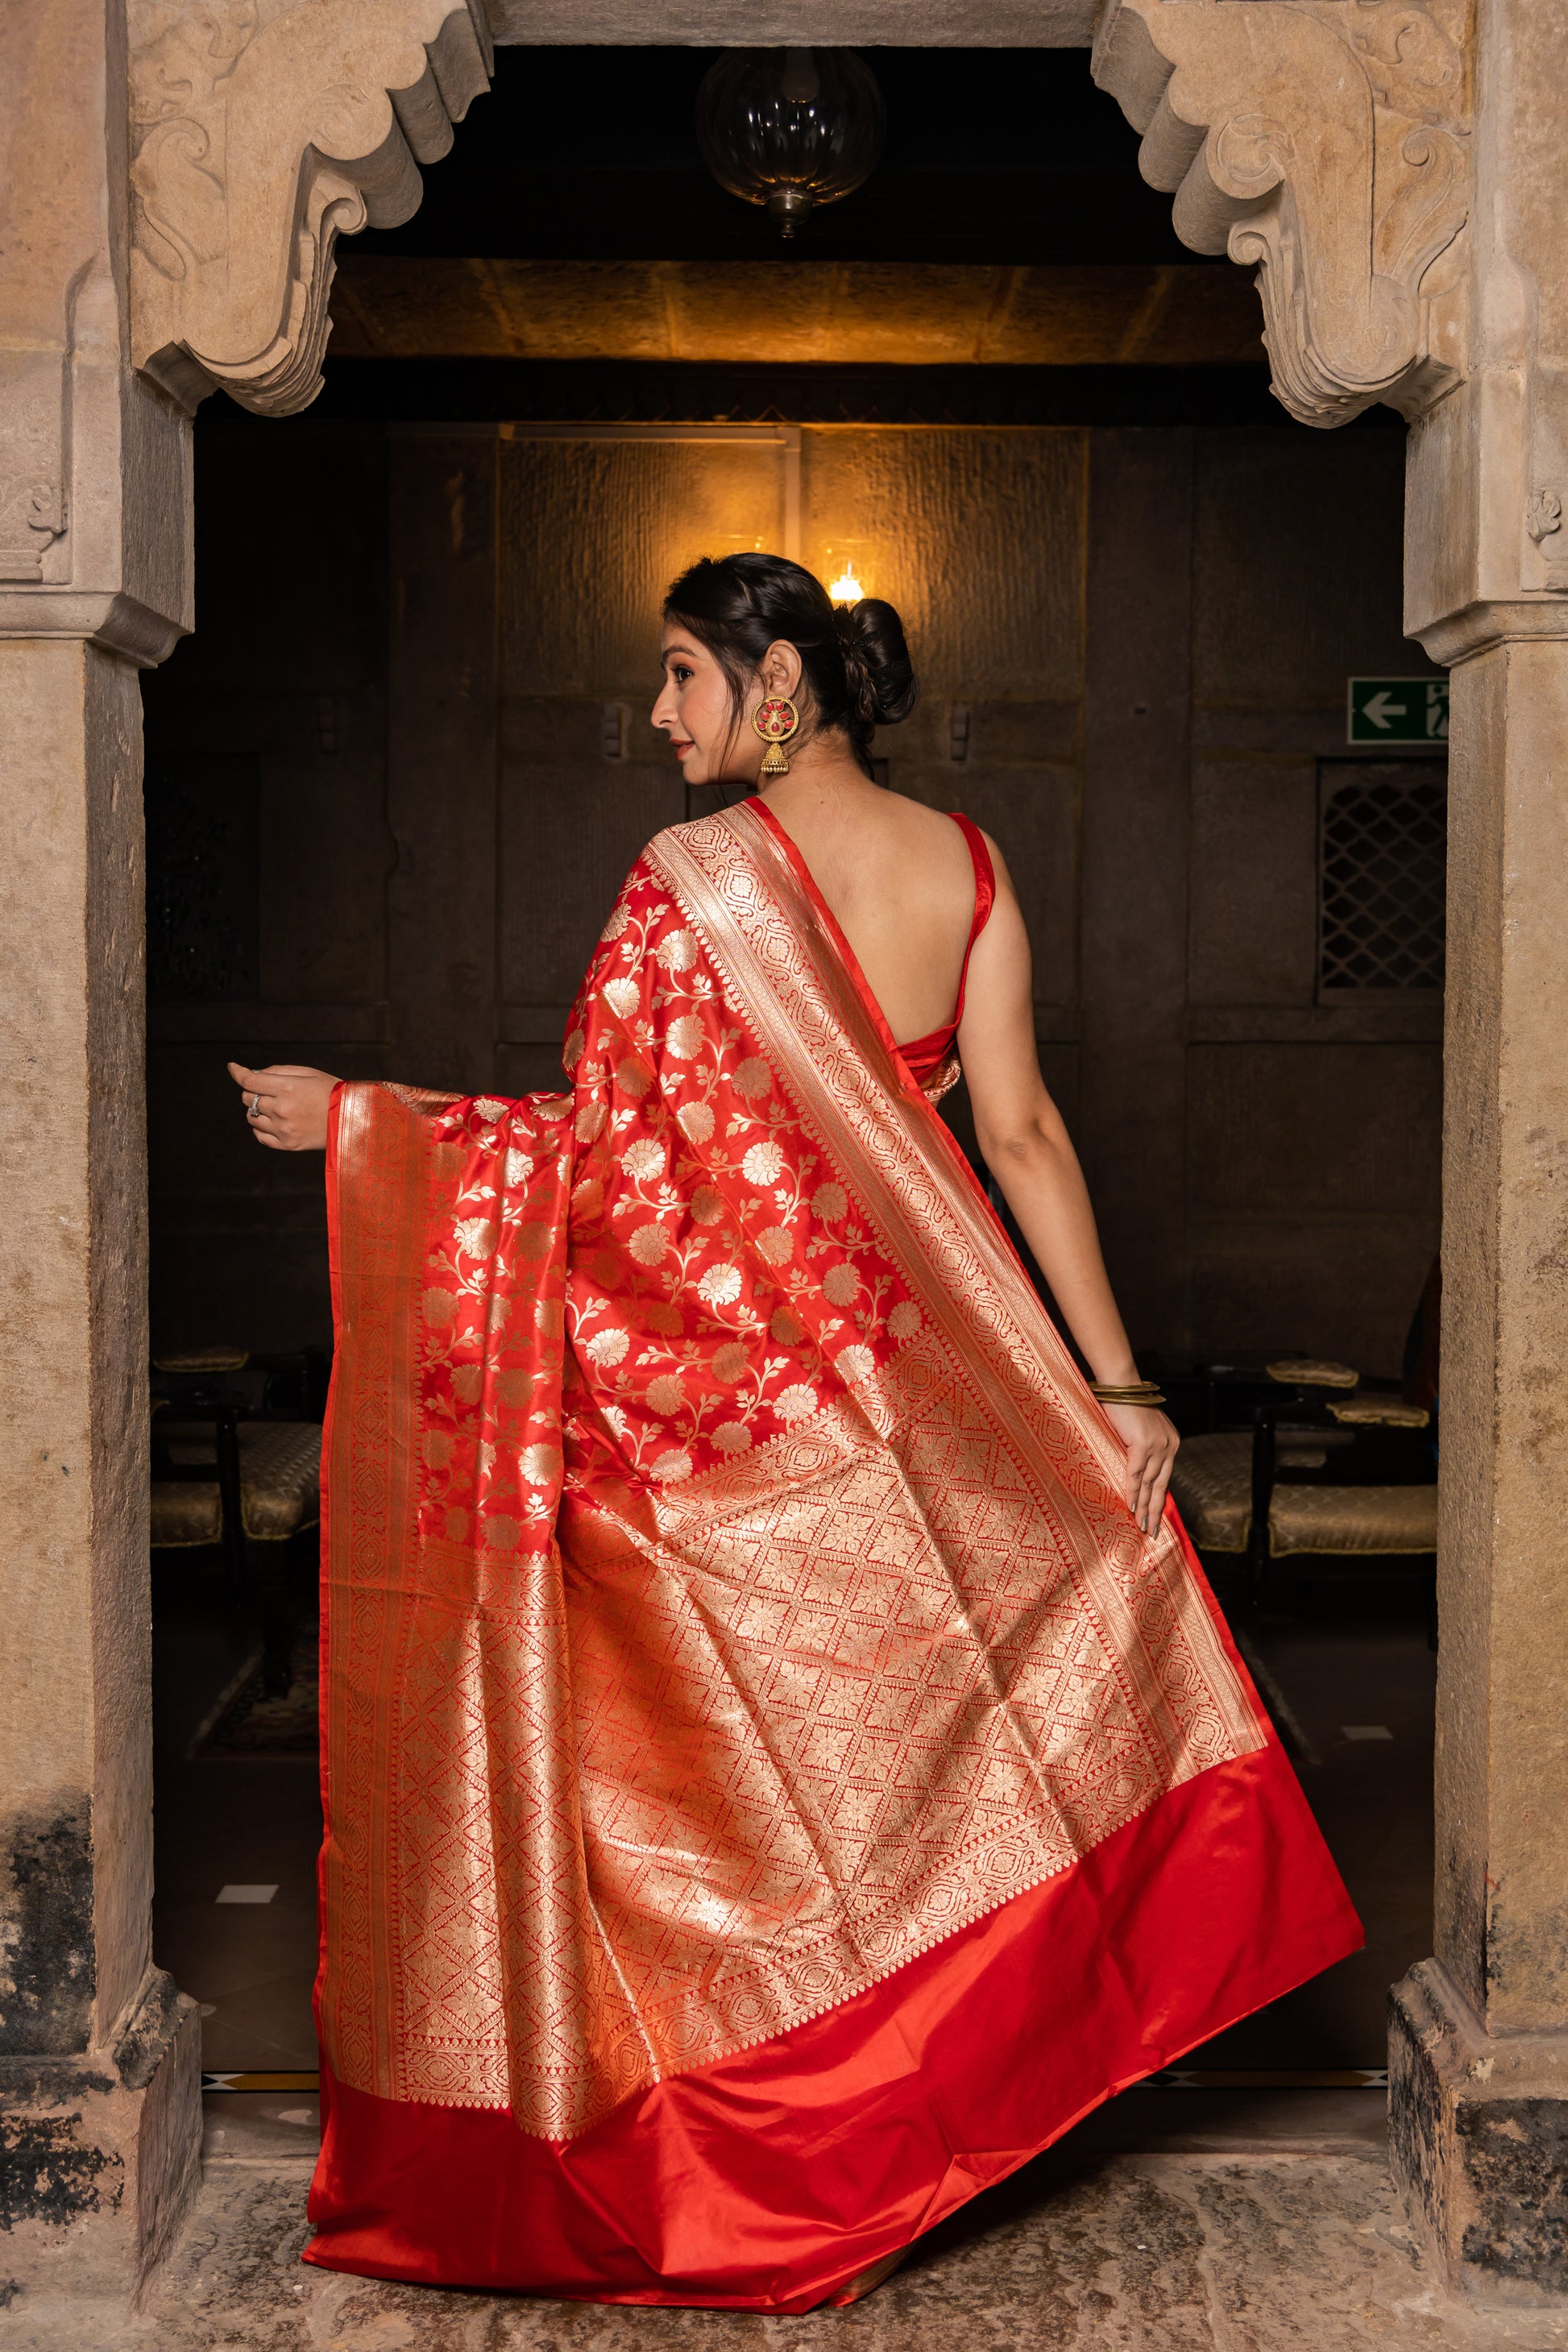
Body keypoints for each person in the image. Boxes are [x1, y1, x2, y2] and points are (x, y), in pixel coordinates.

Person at [227, 553, 1359, 2313]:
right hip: (906, 1409)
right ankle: (885, 2132)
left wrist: (375, 1124)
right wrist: (1114, 1386)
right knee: (911, 1771)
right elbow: (1027, 1133)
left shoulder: (687, 889)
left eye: (684, 673)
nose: (660, 713)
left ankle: (746, 2150)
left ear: (780, 685)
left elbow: (610, 1159)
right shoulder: (968, 869)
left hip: (718, 1433)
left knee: (699, 1795)